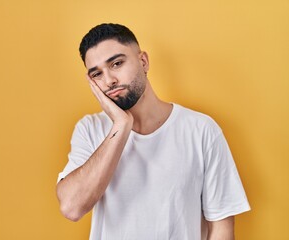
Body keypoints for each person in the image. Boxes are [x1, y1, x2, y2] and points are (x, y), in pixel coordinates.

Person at [56, 23, 250, 240]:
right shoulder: (90, 129)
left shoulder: (201, 130)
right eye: (97, 74)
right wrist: (121, 126)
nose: (109, 80)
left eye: (117, 63)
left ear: (143, 61)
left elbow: (221, 228)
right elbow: (72, 207)